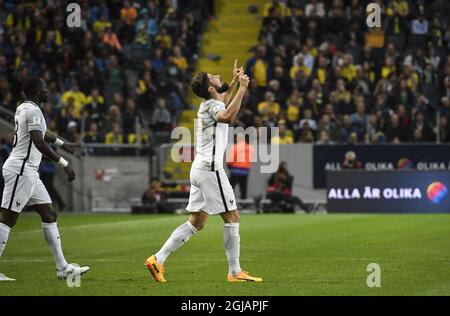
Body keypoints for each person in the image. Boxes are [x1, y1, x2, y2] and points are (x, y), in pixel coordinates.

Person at [145, 60, 262, 283]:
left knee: (196, 221)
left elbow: (223, 103)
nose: (218, 75)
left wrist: (235, 82)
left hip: (199, 168)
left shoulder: (209, 103)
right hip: (211, 169)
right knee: (232, 217)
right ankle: (235, 272)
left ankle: (157, 259)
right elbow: (228, 116)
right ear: (211, 88)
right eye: (215, 77)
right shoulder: (214, 106)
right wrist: (244, 89)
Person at [0, 76, 89, 282]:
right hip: (21, 169)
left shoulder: (24, 108)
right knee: (7, 218)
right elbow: (38, 141)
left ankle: (63, 268)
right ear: (38, 91)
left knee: (49, 214)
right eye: (45, 88)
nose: (48, 91)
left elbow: (42, 133)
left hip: (29, 171)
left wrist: (62, 143)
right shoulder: (33, 110)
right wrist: (64, 163)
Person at [226, 134, 254, 199]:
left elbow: (230, 160)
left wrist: (230, 167)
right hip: (245, 171)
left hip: (235, 171)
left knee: (230, 188)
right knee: (243, 188)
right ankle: (244, 203)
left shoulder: (235, 147)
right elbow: (251, 159)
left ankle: (229, 201)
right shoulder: (250, 148)